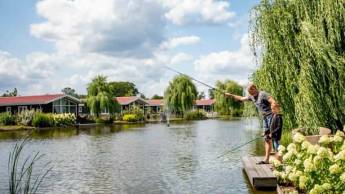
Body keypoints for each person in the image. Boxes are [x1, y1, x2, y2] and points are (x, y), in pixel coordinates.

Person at [225, 84, 276, 164]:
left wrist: (274, 112)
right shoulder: (252, 96)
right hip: (265, 118)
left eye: (250, 91)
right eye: (248, 92)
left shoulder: (262, 94)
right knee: (267, 138)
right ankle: (266, 159)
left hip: (271, 117)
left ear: (255, 88)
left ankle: (279, 159)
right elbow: (241, 98)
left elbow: (272, 100)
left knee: (274, 138)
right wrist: (230, 95)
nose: (250, 94)